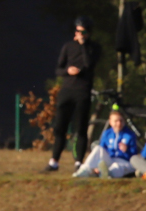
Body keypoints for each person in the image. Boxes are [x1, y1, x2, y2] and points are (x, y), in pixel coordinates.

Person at [47, 16, 101, 172]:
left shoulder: (94, 48)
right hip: (67, 91)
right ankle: (54, 161)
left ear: (88, 33)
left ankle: (78, 162)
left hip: (82, 92)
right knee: (60, 127)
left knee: (81, 129)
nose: (79, 34)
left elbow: (89, 64)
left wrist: (83, 46)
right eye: (77, 31)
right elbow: (58, 69)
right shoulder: (68, 46)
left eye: (82, 32)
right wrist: (67, 71)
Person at [73, 110, 137, 178]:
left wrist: (126, 150)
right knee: (97, 148)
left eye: (121, 121)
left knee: (117, 167)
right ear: (110, 122)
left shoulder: (130, 135)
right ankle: (85, 170)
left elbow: (134, 156)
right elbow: (101, 151)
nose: (119, 123)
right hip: (110, 159)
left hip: (123, 161)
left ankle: (107, 174)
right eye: (116, 121)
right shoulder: (107, 133)